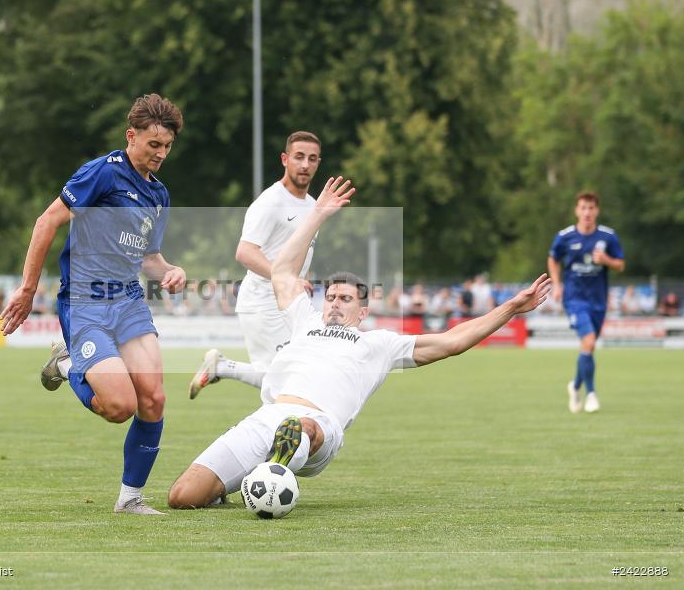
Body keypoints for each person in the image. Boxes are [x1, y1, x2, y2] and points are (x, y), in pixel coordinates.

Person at [167, 177, 552, 509]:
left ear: (362, 311)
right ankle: (253, 478)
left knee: (300, 426)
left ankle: (276, 467)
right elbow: (282, 270)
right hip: (267, 416)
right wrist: (316, 214)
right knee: (182, 497)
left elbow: (452, 341)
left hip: (318, 425)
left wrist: (511, 308)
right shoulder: (304, 320)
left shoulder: (379, 344)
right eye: (331, 296)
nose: (335, 303)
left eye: (345, 299)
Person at [1, 93, 186, 515]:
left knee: (153, 399)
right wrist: (28, 289)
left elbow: (149, 258)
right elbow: (47, 220)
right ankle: (67, 365)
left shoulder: (160, 195)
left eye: (167, 147)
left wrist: (171, 271)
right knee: (120, 407)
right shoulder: (102, 174)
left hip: (129, 301)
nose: (160, 154)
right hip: (85, 301)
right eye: (153, 144)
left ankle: (131, 499)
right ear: (131, 136)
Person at [188, 131, 322, 399]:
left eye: (312, 158)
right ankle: (272, 433)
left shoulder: (313, 205)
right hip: (262, 301)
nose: (305, 164)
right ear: (285, 159)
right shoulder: (270, 202)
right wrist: (286, 279)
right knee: (283, 382)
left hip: (288, 300)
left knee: (301, 373)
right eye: (298, 157)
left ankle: (222, 368)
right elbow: (245, 252)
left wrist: (297, 283)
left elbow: (299, 254)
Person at [548, 191, 625, 414]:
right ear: (576, 210)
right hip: (574, 299)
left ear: (597, 211)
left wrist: (607, 260)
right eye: (583, 208)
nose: (587, 212)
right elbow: (553, 258)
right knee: (589, 341)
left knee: (587, 347)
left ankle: (575, 385)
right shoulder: (565, 237)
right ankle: (591, 394)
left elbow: (620, 265)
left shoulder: (609, 237)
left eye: (591, 208)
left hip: (598, 301)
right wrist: (557, 284)